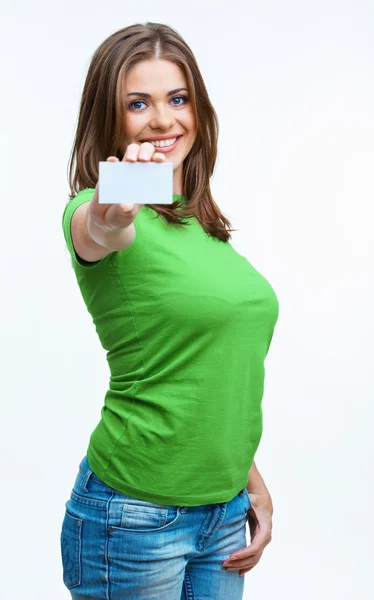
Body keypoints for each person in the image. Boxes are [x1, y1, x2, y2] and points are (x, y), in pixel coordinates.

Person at [60, 21, 279, 600]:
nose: (163, 120)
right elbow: (100, 229)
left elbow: (208, 373)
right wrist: (114, 206)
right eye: (138, 103)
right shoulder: (96, 210)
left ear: (198, 111)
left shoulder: (203, 226)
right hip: (133, 519)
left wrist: (250, 483)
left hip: (223, 513)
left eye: (177, 99)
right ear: (110, 118)